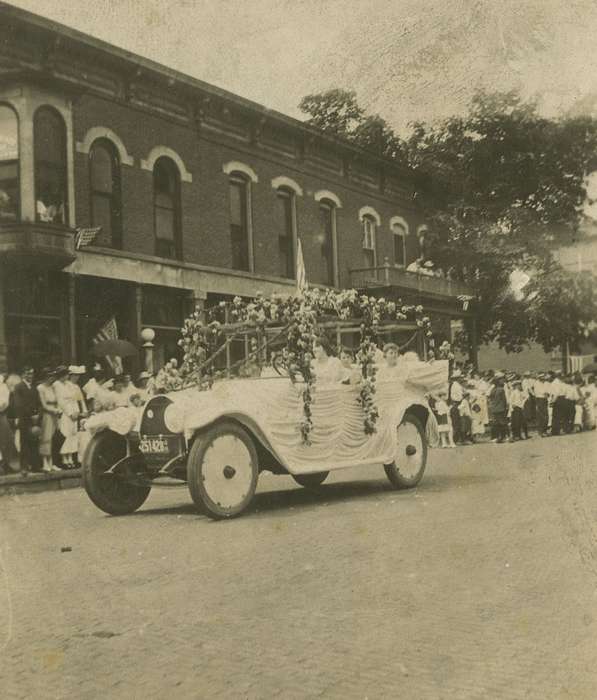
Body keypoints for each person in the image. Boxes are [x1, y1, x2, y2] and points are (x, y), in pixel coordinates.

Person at [12, 366, 41, 474]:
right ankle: (23, 467)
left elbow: (38, 403)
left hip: (35, 419)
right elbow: (19, 405)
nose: (30, 376)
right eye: (28, 373)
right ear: (23, 374)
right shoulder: (18, 387)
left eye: (31, 374)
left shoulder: (34, 387)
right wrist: (30, 415)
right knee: (24, 443)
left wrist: (37, 414)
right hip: (24, 419)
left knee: (34, 442)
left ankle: (35, 466)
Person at [54, 366, 85, 468]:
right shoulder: (57, 385)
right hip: (64, 413)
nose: (66, 377)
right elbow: (61, 401)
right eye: (64, 375)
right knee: (65, 434)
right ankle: (64, 459)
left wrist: (77, 412)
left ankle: (71, 458)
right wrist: (70, 413)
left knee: (73, 434)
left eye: (67, 374)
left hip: (73, 411)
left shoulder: (69, 385)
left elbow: (75, 399)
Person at [37, 368, 61, 473]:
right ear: (45, 376)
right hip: (46, 415)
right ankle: (45, 462)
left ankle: (52, 462)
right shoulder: (40, 388)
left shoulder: (53, 387)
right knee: (46, 438)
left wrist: (58, 410)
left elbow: (57, 401)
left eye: (52, 376)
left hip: (55, 415)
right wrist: (54, 410)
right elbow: (44, 405)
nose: (52, 378)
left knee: (53, 437)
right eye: (50, 376)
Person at [0, 369, 19, 474]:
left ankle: (6, 464)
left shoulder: (4, 387)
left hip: (2, 414)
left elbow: (4, 403)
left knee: (7, 439)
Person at [488, 374, 508, 443]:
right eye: (501, 380)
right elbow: (504, 400)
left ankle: (494, 437)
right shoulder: (501, 390)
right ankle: (503, 437)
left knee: (495, 423)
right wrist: (505, 407)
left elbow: (490, 398)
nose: (503, 381)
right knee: (502, 423)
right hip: (500, 408)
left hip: (494, 408)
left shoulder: (493, 390)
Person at [448, 369, 464, 445]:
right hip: (456, 403)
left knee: (457, 422)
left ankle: (457, 439)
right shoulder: (456, 385)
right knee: (456, 423)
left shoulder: (456, 385)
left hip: (456, 403)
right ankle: (455, 439)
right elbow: (458, 396)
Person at [534, 372, 550, 437]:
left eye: (544, 376)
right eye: (542, 377)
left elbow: (548, 390)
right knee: (541, 415)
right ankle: (541, 431)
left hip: (545, 399)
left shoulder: (546, 383)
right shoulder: (536, 383)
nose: (543, 378)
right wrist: (545, 393)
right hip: (540, 399)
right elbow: (538, 392)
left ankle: (544, 430)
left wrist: (547, 393)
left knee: (546, 415)